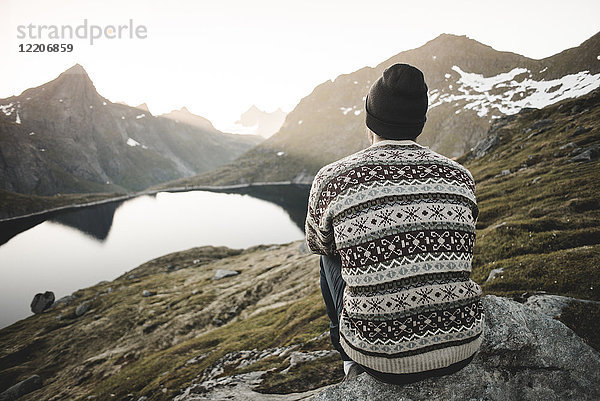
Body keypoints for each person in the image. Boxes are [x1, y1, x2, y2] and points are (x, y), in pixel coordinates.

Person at [305, 63, 484, 384]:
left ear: (370, 118)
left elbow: (318, 243)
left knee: (328, 256)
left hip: (380, 359)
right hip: (463, 344)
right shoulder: (461, 176)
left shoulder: (333, 177)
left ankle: (348, 357)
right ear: (420, 122)